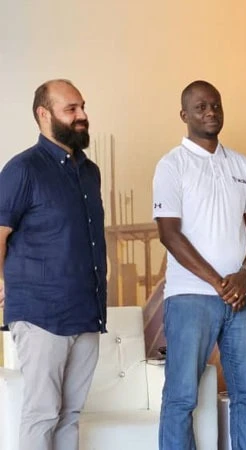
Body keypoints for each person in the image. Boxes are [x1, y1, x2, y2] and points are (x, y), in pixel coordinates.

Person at [153, 80, 246, 450]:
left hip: (245, 298)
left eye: (215, 105)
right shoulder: (172, 166)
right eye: (201, 107)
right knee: (182, 398)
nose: (210, 112)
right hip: (190, 297)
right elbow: (170, 234)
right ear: (184, 115)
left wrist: (244, 275)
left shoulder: (243, 164)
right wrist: (221, 283)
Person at [0, 79, 106, 450]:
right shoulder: (22, 169)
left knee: (70, 415)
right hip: (40, 312)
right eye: (71, 109)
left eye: (82, 107)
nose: (82, 116)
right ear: (43, 115)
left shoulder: (89, 172)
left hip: (85, 312)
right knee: (43, 413)